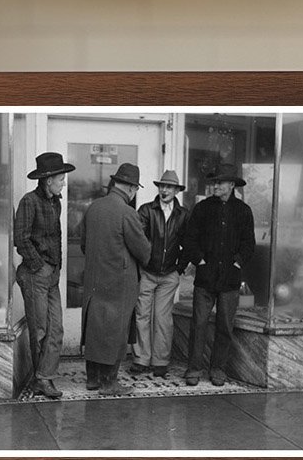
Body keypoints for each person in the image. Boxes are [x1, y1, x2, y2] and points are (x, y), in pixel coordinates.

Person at [180, 162, 256, 387]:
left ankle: (218, 369)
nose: (215, 186)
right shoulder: (203, 208)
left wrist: (237, 263)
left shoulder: (243, 211)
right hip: (205, 278)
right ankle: (194, 368)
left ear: (231, 185)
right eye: (213, 182)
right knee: (199, 323)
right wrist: (199, 260)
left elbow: (248, 244)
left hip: (229, 280)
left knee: (225, 325)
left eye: (219, 182)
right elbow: (189, 238)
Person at [80, 162, 151, 394]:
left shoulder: (93, 208)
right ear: (131, 188)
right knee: (115, 331)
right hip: (119, 283)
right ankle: (109, 383)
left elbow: (83, 244)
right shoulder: (127, 212)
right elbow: (143, 252)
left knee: (94, 327)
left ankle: (92, 379)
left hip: (94, 279)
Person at [13, 151, 75, 400]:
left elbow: (56, 237)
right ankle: (41, 380)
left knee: (56, 328)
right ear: (48, 180)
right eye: (61, 178)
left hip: (50, 274)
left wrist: (55, 268)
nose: (63, 182)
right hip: (34, 273)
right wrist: (39, 265)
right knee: (39, 329)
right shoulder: (30, 201)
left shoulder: (55, 202)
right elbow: (21, 239)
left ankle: (44, 375)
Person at [130, 170, 189, 379]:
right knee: (142, 316)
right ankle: (141, 359)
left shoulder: (183, 214)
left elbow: (189, 244)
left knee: (163, 318)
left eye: (169, 187)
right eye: (162, 186)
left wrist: (179, 268)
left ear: (176, 190)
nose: (164, 190)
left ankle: (160, 361)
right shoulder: (146, 210)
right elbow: (137, 239)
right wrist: (142, 264)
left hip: (169, 275)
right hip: (147, 272)